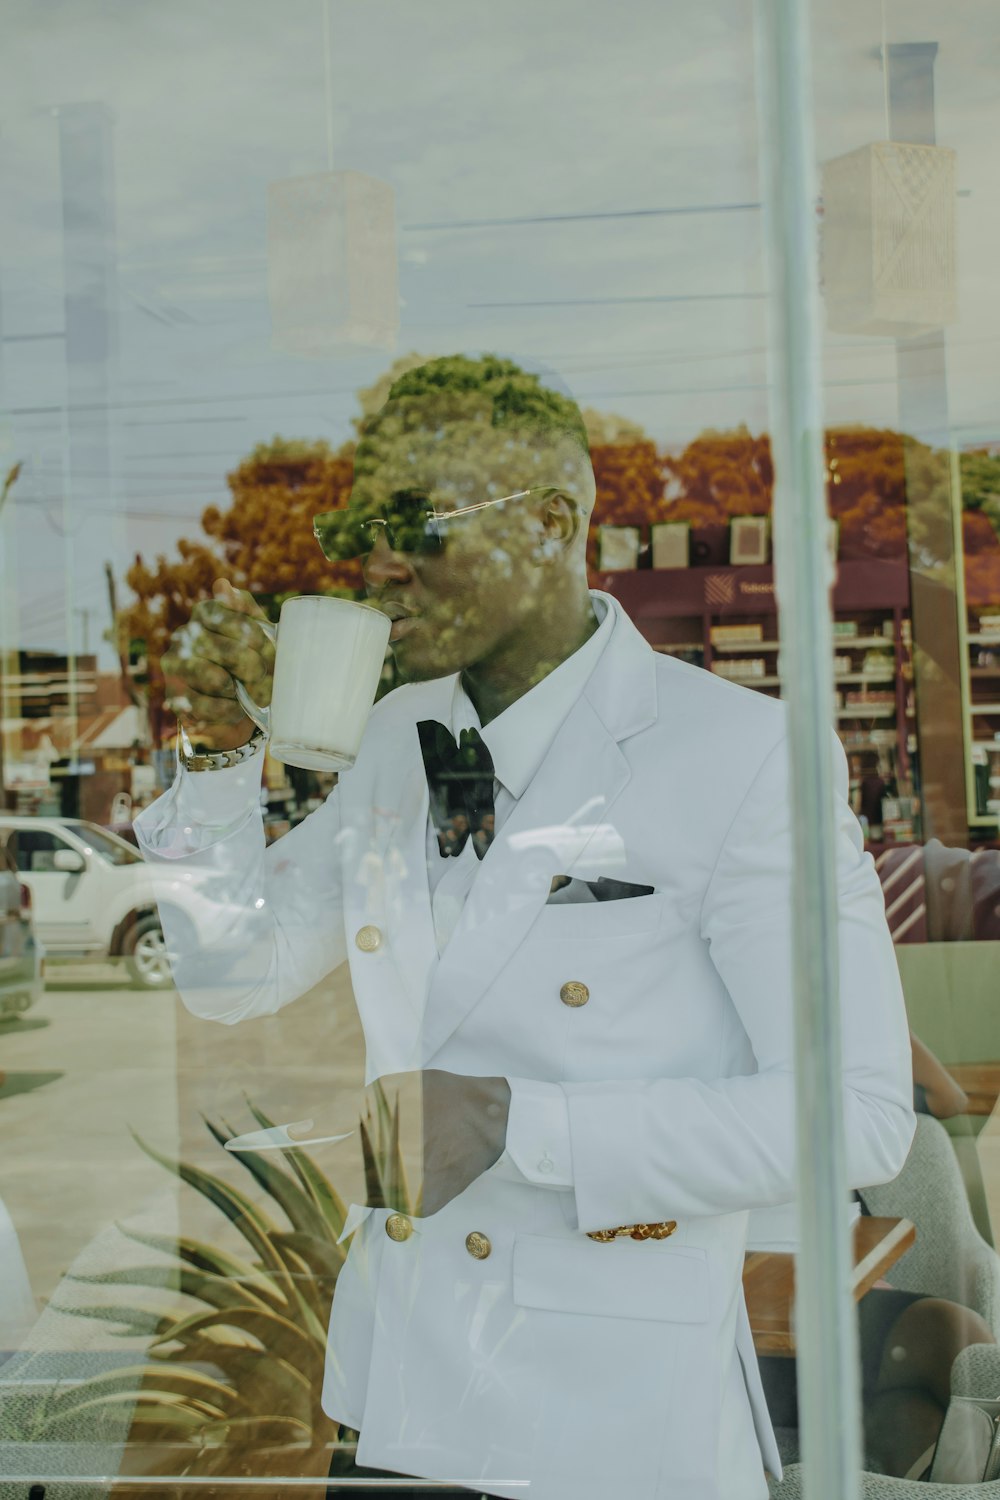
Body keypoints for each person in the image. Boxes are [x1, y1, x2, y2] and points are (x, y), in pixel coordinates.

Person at [136, 354, 915, 1500]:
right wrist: (213, 758)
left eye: (417, 524)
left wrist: (518, 1126)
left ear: (551, 524)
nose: (377, 566)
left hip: (609, 1417)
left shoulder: (741, 757)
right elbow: (229, 976)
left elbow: (856, 1118)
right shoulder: (400, 729)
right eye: (365, 528)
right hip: (394, 1387)